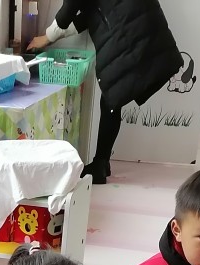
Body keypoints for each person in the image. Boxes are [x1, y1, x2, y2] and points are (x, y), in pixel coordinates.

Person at [28, 0, 182, 184]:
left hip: (130, 31)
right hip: (138, 26)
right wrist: (56, 35)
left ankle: (100, 164)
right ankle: (101, 163)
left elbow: (70, 8)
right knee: (112, 97)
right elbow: (91, 15)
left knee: (112, 97)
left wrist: (47, 37)